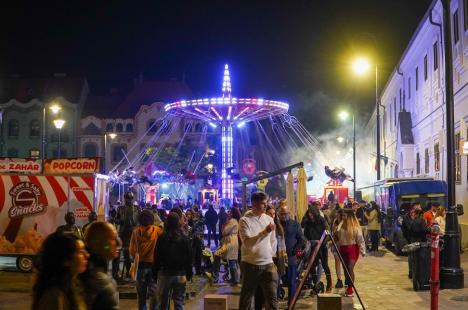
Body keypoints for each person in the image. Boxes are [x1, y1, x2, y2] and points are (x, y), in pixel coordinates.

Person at [238, 192, 278, 310]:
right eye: (263, 203)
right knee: (247, 298)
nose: (266, 206)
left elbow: (273, 240)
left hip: (268, 264)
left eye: (266, 203)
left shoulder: (269, 219)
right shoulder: (244, 221)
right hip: (250, 265)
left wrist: (269, 255)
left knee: (272, 299)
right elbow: (248, 243)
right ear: (254, 203)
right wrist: (265, 232)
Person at [32, 232, 89, 310]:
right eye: (80, 252)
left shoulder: (71, 286)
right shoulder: (54, 297)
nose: (87, 255)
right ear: (65, 260)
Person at [153, 212, 193, 310]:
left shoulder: (162, 237)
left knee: (162, 303)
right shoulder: (185, 238)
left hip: (165, 274)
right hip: (180, 274)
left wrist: (155, 274)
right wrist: (188, 273)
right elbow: (189, 258)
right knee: (179, 303)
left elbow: (157, 256)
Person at [129, 209, 163, 310]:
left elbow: (131, 250)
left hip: (140, 267)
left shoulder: (135, 232)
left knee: (141, 296)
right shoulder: (157, 230)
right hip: (153, 267)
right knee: (154, 294)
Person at [82, 222, 120, 310]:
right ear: (98, 244)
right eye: (112, 238)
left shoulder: (95, 273)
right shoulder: (99, 281)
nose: (118, 243)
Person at [334, 209, 366, 297]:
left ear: (350, 216)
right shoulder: (340, 226)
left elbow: (360, 239)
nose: (343, 217)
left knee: (350, 267)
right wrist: (340, 223)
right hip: (343, 249)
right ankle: (348, 285)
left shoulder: (355, 227)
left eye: (345, 215)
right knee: (346, 269)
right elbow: (336, 234)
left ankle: (350, 288)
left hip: (353, 249)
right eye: (342, 215)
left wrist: (362, 250)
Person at [301, 205, 332, 294]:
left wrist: (322, 242)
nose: (310, 215)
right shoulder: (307, 222)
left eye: (312, 213)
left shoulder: (321, 220)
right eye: (309, 214)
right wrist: (309, 242)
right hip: (312, 247)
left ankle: (329, 282)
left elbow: (328, 232)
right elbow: (305, 235)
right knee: (312, 266)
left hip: (322, 247)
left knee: (325, 265)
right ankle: (316, 285)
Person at [207, 207, 242, 285]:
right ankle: (234, 279)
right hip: (229, 242)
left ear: (233, 213)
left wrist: (224, 227)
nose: (228, 213)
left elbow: (225, 231)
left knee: (219, 255)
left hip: (229, 242)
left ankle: (216, 276)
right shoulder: (233, 221)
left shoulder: (232, 221)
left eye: (229, 212)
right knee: (231, 260)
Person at [115, 191, 140, 279]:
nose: (129, 200)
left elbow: (139, 220)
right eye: (127, 198)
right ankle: (127, 271)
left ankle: (132, 271)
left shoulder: (137, 208)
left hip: (134, 232)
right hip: (124, 232)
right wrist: (120, 221)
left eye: (130, 198)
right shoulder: (120, 209)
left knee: (134, 253)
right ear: (125, 198)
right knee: (125, 253)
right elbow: (116, 220)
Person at [331, 208, 344, 288]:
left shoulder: (345, 222)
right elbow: (334, 232)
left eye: (340, 215)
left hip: (344, 244)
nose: (338, 216)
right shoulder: (335, 221)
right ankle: (339, 280)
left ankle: (347, 278)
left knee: (345, 263)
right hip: (336, 244)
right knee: (337, 262)